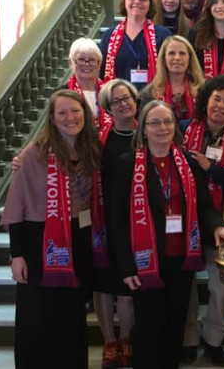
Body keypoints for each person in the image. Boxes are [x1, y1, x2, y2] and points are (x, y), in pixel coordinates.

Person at [107, 100, 224, 368]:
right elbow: (116, 221)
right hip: (145, 260)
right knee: (149, 328)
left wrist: (218, 226)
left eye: (167, 121)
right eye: (154, 122)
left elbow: (203, 206)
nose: (162, 127)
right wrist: (125, 266)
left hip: (182, 258)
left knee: (175, 323)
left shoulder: (188, 162)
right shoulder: (126, 164)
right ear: (143, 129)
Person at [1, 90, 102, 369]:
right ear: (53, 119)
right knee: (38, 319)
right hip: (38, 243)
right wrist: (17, 254)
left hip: (78, 241)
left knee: (71, 317)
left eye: (75, 111)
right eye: (62, 113)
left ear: (85, 113)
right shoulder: (35, 153)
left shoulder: (90, 149)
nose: (70, 117)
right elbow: (17, 205)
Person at [180, 75, 224, 366]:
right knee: (184, 284)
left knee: (219, 286)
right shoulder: (183, 129)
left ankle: (213, 339)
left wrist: (211, 169)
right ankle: (186, 339)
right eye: (216, 99)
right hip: (185, 222)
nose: (220, 106)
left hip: (222, 220)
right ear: (206, 100)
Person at [96, 79, 140, 368]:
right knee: (103, 285)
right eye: (116, 101)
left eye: (127, 98)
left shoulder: (148, 131)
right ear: (108, 108)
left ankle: (125, 338)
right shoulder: (100, 139)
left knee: (127, 290)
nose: (123, 104)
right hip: (104, 221)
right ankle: (109, 340)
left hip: (137, 221)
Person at [99, 0, 172, 89]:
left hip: (151, 99)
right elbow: (101, 71)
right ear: (124, 1)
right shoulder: (109, 36)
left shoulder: (162, 35)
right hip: (119, 99)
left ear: (150, 4)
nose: (137, 1)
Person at [139, 35, 205, 121]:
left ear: (190, 59)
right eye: (172, 53)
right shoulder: (149, 93)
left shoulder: (203, 90)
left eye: (182, 53)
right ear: (164, 59)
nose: (177, 58)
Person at [64, 37, 113, 129]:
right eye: (81, 59)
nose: (86, 64)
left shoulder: (110, 93)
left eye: (92, 60)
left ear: (99, 64)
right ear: (70, 63)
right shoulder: (62, 93)